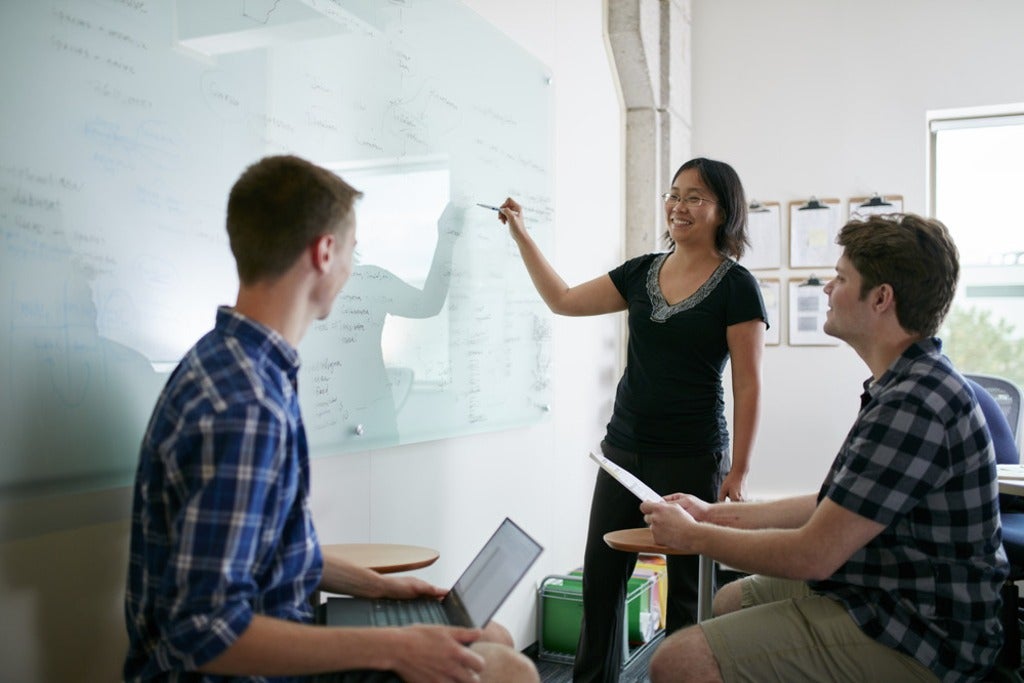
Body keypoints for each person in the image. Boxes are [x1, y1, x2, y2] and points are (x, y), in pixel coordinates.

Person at [122, 154, 539, 683]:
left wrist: (378, 586)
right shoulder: (246, 404)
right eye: (351, 249)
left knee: (492, 637)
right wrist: (394, 650)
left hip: (277, 627)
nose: (350, 270)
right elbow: (203, 632)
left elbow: (270, 550)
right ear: (324, 252)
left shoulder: (235, 362)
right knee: (504, 669)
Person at [640, 213, 1009, 683]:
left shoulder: (915, 403)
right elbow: (830, 507)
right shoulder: (902, 383)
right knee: (729, 600)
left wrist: (693, 537)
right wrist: (709, 513)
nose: (828, 290)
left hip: (925, 633)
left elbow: (813, 554)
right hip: (886, 586)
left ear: (881, 298)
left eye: (840, 278)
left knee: (676, 661)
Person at [496, 157, 767, 681]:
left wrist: (740, 472)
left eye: (694, 197)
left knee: (688, 598)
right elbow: (564, 300)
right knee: (601, 586)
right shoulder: (641, 271)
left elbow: (749, 384)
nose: (678, 206)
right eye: (673, 194)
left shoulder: (738, 286)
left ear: (722, 211)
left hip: (694, 456)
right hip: (623, 453)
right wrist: (523, 236)